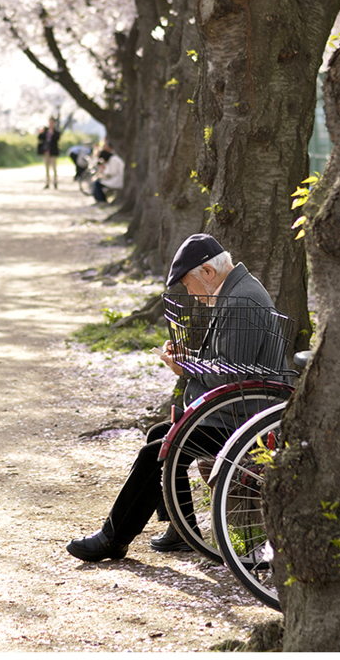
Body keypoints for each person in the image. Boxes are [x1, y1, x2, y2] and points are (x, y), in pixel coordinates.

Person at [66, 233, 288, 562]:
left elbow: (230, 376)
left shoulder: (241, 299)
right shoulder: (235, 291)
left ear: (207, 273)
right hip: (237, 410)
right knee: (160, 434)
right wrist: (189, 357)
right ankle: (180, 529)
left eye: (188, 284)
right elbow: (227, 361)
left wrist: (185, 367)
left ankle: (113, 538)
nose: (190, 293)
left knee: (156, 453)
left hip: (245, 418)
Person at [37, 117, 60, 189]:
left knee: (54, 168)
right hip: (46, 152)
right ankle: (47, 182)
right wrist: (41, 132)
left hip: (53, 152)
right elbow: (40, 138)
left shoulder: (56, 131)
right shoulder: (45, 130)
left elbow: (57, 139)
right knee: (47, 168)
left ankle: (55, 182)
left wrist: (52, 134)